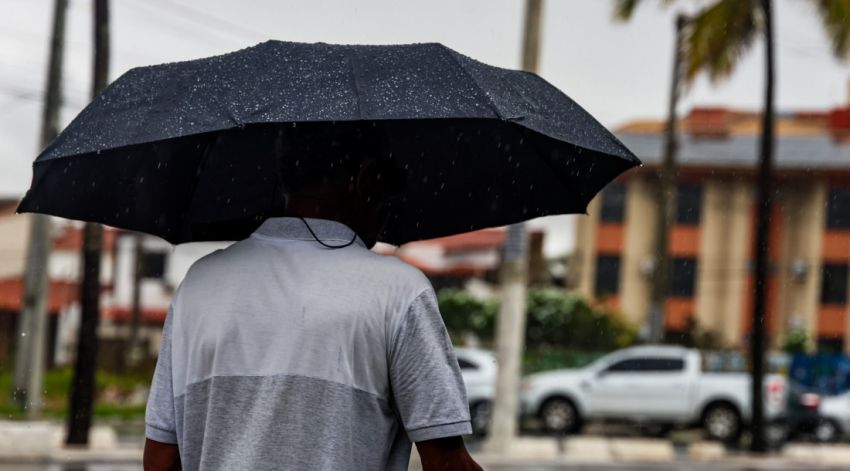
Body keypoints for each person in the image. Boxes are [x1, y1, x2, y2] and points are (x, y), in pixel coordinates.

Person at [143, 122, 482, 471]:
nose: (392, 199)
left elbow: (160, 459)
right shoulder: (399, 291)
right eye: (391, 178)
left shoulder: (199, 285)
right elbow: (445, 463)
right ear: (366, 178)